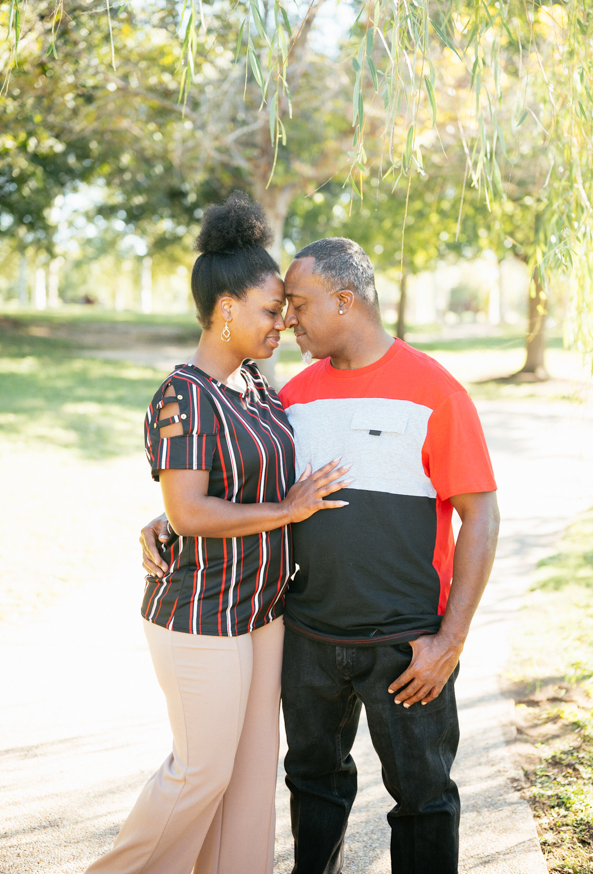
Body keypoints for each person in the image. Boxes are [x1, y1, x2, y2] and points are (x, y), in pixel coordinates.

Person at [142, 236, 500, 874]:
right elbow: (245, 484)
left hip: (406, 643)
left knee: (423, 800)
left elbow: (481, 515)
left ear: (344, 301)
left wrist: (451, 639)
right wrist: (170, 522)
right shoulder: (294, 398)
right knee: (312, 787)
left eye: (298, 305)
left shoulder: (436, 392)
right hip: (305, 635)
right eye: (279, 308)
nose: (287, 321)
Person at [85, 194, 350, 874]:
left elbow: (216, 489)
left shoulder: (256, 387)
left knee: (249, 781)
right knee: (200, 773)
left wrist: (181, 512)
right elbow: (192, 513)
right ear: (226, 307)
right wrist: (284, 512)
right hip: (202, 613)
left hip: (262, 612)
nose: (281, 324)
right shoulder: (184, 395)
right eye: (270, 311)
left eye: (286, 311)